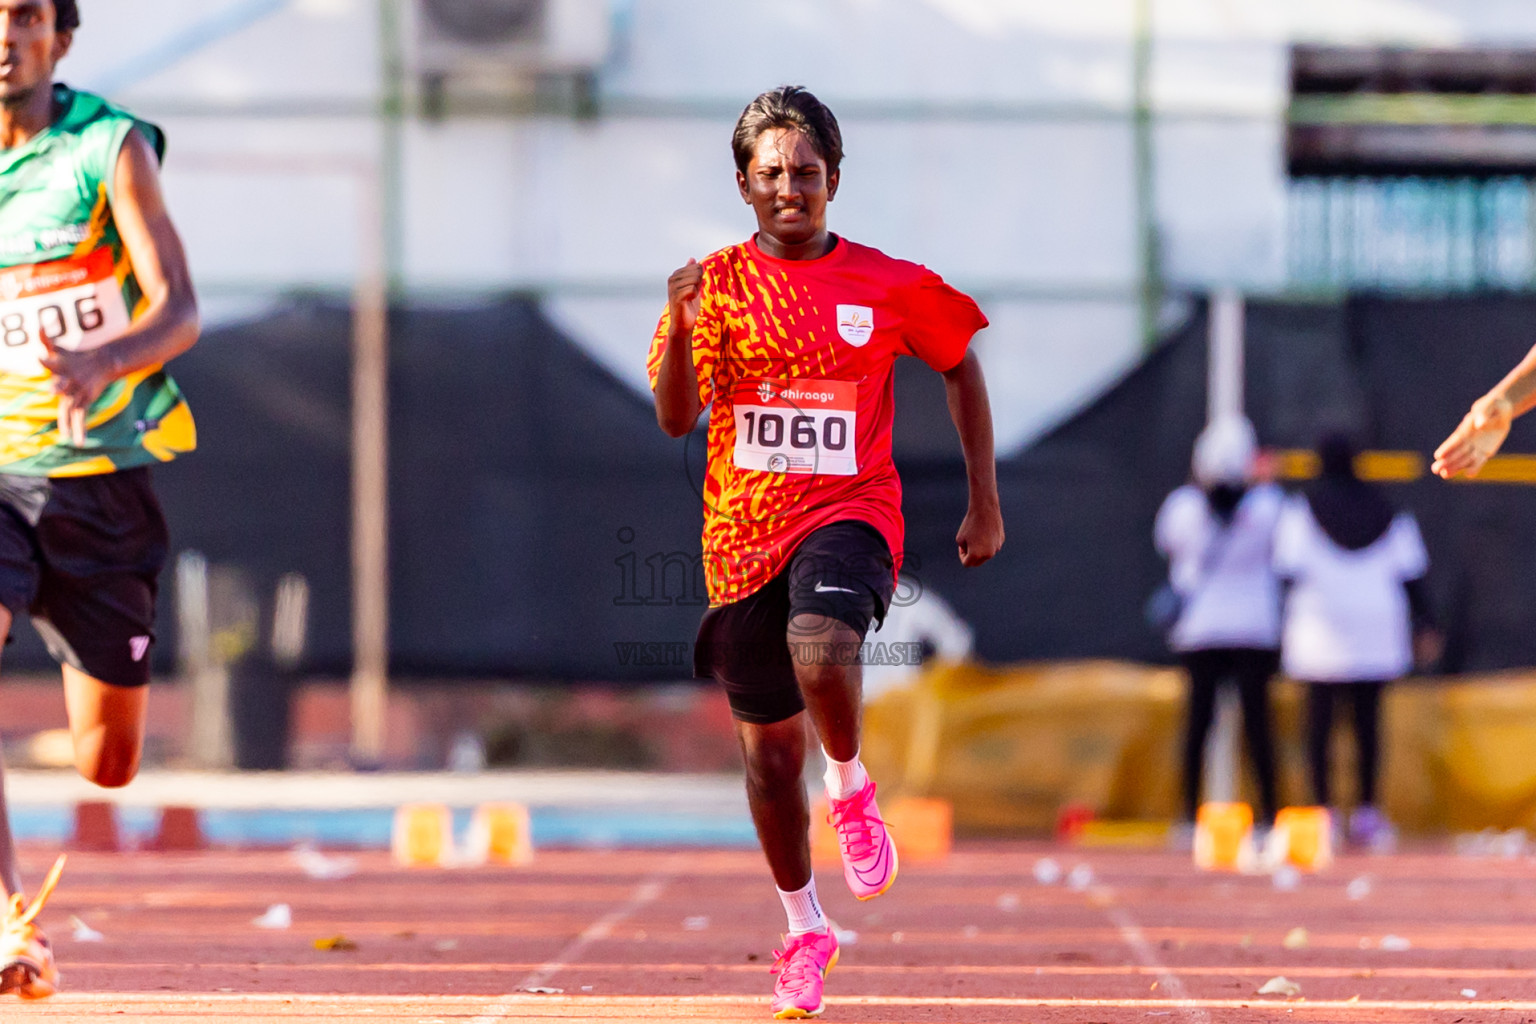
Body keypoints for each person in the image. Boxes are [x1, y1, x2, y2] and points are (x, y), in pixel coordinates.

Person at [649, 85, 1002, 1019]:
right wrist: (680, 324)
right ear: (743, 185)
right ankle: (805, 927)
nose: (789, 188)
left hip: (850, 512)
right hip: (741, 541)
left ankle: (848, 784)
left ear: (834, 180)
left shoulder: (888, 283)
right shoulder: (715, 286)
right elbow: (677, 417)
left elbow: (961, 364)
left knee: (822, 643)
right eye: (771, 173)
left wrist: (984, 502)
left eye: (805, 172)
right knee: (769, 763)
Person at [0, 0, 200, 998]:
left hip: (98, 481)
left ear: (60, 36)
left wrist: (103, 359)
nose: (4, 35)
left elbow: (180, 308)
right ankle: (10, 920)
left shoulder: (107, 147)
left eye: (23, 15)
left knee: (107, 762)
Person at [1274, 434, 1435, 849]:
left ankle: (1322, 813)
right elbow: (1412, 575)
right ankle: (1367, 812)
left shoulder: (1302, 509)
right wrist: (1427, 624)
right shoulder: (1388, 507)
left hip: (1319, 629)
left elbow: (1286, 570)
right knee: (1368, 725)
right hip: (1376, 626)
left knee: (1319, 725)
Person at [1154, 416, 1283, 831]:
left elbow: (1167, 544)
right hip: (1253, 628)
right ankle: (1269, 815)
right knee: (1258, 727)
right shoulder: (1268, 506)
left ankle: (1189, 815)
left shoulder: (1182, 507)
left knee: (1198, 725)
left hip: (1201, 629)